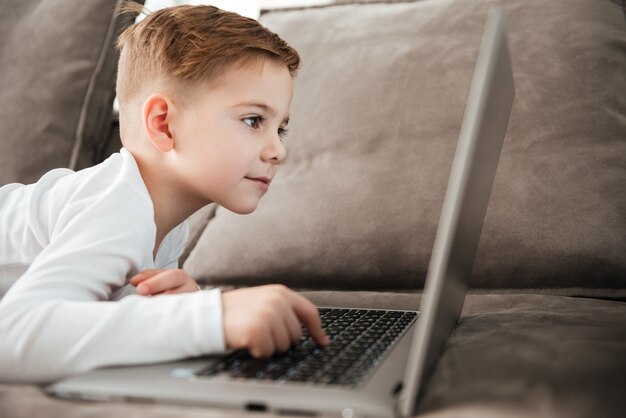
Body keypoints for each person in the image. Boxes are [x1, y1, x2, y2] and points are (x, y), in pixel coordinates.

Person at [0, 3, 328, 383]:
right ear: (164, 125)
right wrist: (212, 318)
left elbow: (92, 312)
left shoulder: (169, 224)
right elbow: (13, 336)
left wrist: (161, 304)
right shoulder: (117, 204)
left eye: (280, 129)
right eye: (253, 120)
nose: (278, 151)